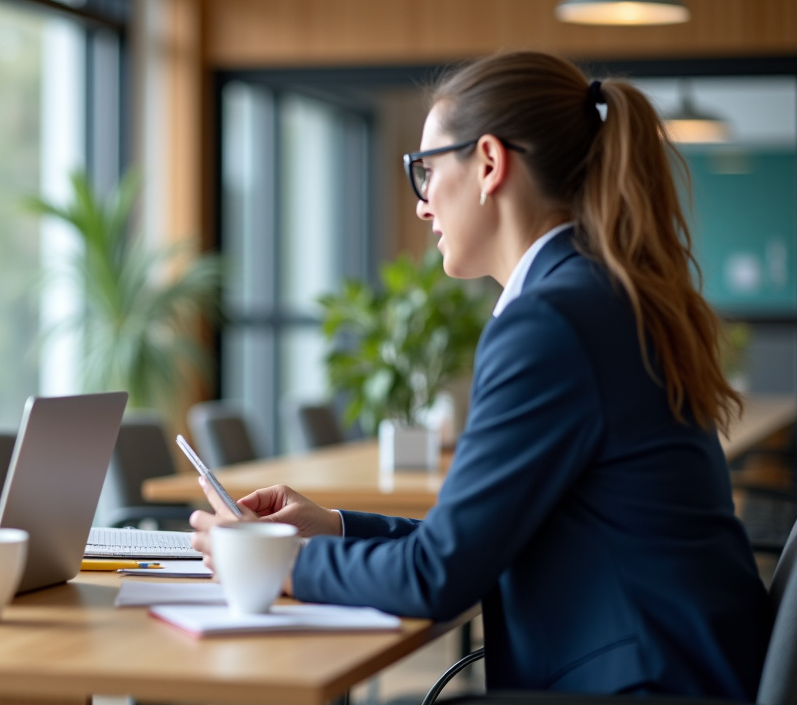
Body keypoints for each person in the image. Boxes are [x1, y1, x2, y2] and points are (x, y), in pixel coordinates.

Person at [189, 51, 770, 699]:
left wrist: (276, 561)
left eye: (426, 171)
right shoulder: (597, 296)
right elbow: (472, 545)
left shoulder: (551, 322)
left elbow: (438, 578)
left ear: (490, 163)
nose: (421, 204)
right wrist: (334, 527)